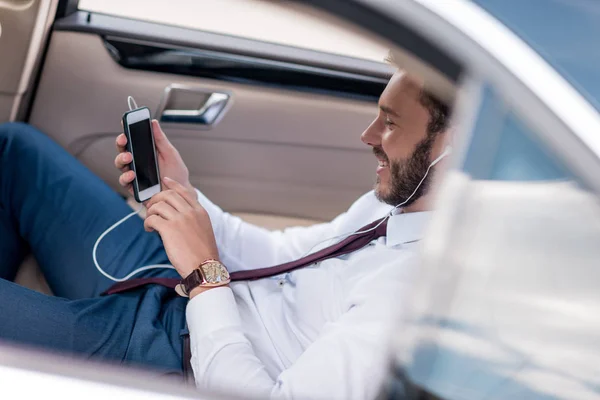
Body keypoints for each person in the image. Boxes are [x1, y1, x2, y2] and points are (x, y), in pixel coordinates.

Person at [0, 67, 451, 399]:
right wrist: (184, 193)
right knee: (14, 151)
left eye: (390, 123)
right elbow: (281, 253)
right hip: (184, 291)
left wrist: (204, 276)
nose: (367, 135)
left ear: (453, 147)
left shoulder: (408, 306)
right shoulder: (391, 203)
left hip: (173, 360)